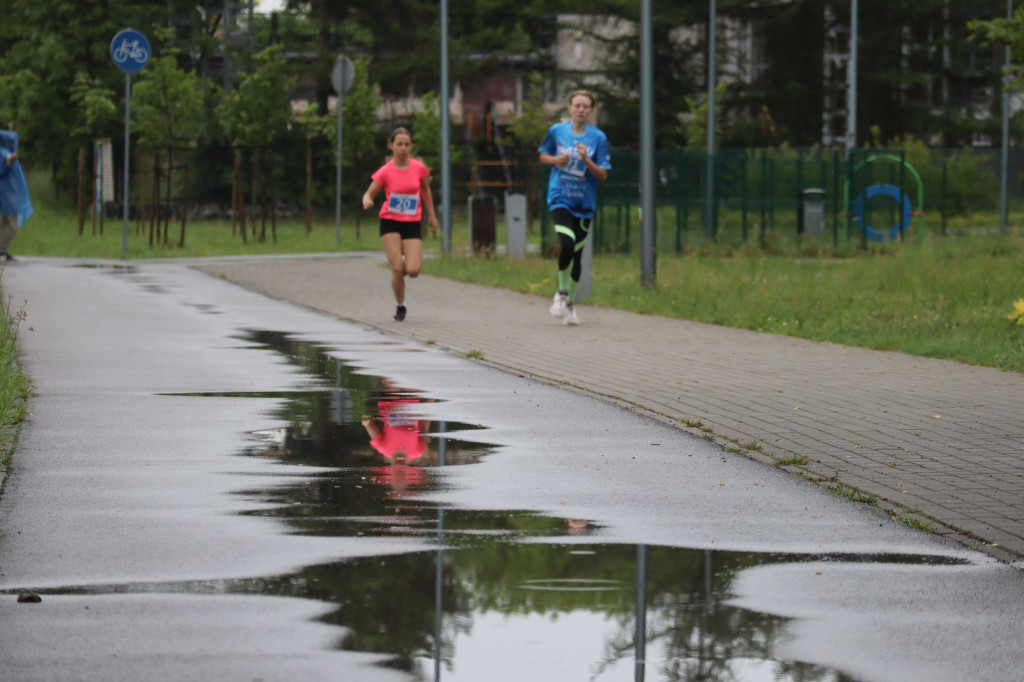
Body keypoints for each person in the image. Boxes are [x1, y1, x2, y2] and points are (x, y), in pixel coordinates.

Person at [538, 90, 611, 325]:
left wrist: (587, 160)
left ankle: (569, 307)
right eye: (577, 105)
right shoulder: (557, 131)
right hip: (560, 196)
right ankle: (561, 294)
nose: (581, 110)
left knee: (576, 254)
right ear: (569, 108)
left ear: (591, 111)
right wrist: (555, 160)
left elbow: (602, 175)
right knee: (566, 243)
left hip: (584, 203)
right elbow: (542, 155)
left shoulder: (598, 138)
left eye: (585, 106)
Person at [361, 127, 438, 321]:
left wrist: (431, 215)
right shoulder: (385, 171)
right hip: (390, 222)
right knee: (397, 268)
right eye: (399, 144)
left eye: (406, 144)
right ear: (391, 146)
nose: (403, 148)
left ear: (411, 146)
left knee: (412, 270)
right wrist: (367, 201)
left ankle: (402, 267)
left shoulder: (418, 168)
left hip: (412, 223)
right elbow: (369, 193)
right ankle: (400, 306)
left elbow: (426, 191)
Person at [0, 130, 33, 263]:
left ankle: (3, 250)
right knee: (12, 224)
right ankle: (1, 250)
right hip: (8, 196)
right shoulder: (4, 152)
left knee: (5, 224)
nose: (15, 143)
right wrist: (12, 158)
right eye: (13, 141)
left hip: (10, 196)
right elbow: (7, 160)